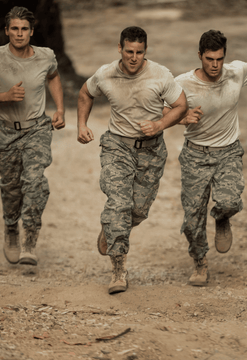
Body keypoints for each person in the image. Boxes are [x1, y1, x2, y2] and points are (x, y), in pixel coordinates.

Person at [77, 26, 188, 294]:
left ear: (145, 52)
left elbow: (181, 105)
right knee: (119, 204)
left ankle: (111, 230)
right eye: (129, 51)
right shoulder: (105, 74)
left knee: (137, 210)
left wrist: (160, 124)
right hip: (117, 146)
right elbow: (85, 93)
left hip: (151, 150)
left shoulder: (160, 75)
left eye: (139, 52)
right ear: (120, 49)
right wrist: (81, 124)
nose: (134, 57)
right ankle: (118, 269)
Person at [168, 30, 247, 286]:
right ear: (200, 56)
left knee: (230, 201)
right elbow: (162, 110)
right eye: (210, 59)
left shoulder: (236, 71)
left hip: (228, 152)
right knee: (192, 220)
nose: (215, 65)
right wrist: (182, 118)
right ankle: (200, 263)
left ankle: (223, 217)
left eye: (220, 59)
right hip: (195, 154)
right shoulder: (182, 83)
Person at [0, 6, 65, 266]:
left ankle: (30, 240)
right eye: (14, 28)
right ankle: (11, 228)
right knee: (12, 188)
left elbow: (54, 77)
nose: (19, 34)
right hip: (5, 132)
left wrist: (60, 109)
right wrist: (4, 96)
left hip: (37, 128)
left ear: (32, 32)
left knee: (34, 182)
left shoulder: (46, 56)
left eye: (24, 29)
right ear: (6, 31)